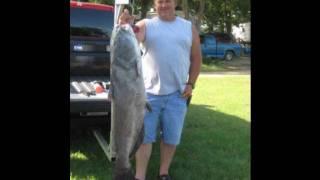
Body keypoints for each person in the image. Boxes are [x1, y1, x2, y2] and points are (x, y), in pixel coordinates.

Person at [118, 0, 202, 179]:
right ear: (155, 4)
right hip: (147, 94)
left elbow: (196, 58)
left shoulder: (188, 28)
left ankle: (163, 173)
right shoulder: (145, 25)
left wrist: (191, 83)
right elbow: (130, 37)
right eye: (160, 1)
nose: (164, 5)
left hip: (178, 94)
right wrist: (125, 26)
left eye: (168, 1)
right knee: (144, 138)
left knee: (171, 138)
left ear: (176, 3)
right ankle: (140, 176)